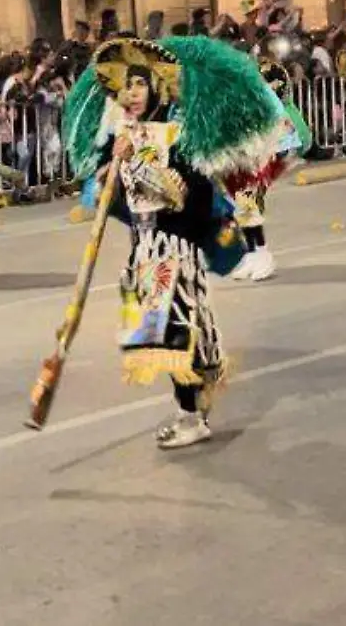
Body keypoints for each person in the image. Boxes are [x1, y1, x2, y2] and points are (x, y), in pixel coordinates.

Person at [62, 36, 279, 449]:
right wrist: (111, 170)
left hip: (172, 250)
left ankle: (190, 416)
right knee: (171, 334)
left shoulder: (177, 136)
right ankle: (195, 403)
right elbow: (120, 200)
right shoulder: (122, 137)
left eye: (140, 84)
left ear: (157, 87)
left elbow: (186, 197)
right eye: (125, 85)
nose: (130, 93)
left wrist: (137, 161)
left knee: (166, 336)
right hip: (143, 248)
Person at [225, 61, 313, 283]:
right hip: (252, 152)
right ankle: (252, 254)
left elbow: (277, 125)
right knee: (242, 203)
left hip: (277, 148)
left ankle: (262, 253)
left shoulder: (257, 92)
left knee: (248, 201)